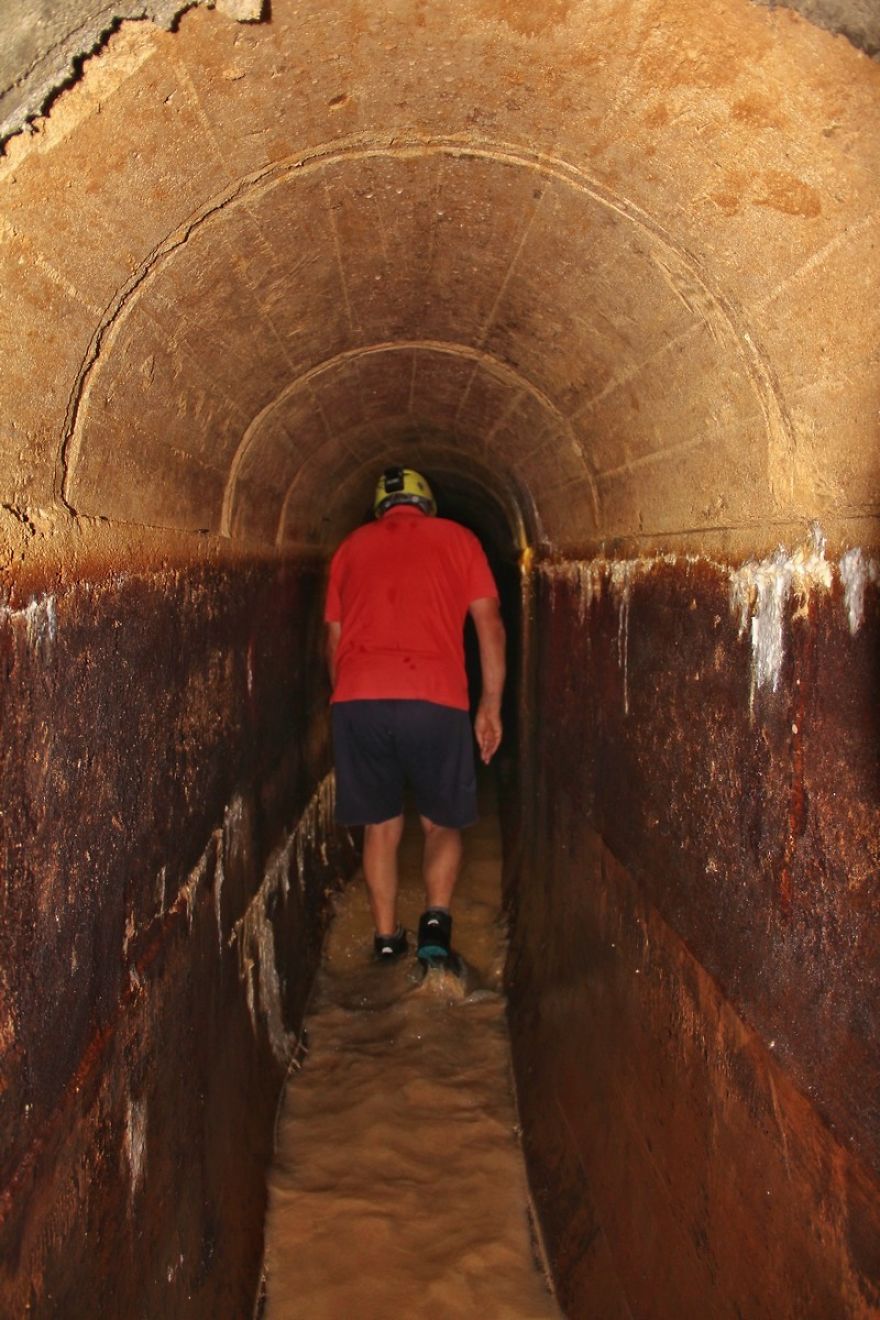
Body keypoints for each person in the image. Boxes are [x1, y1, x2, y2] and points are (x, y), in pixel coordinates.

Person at [324, 466, 506, 968]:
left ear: (380, 506)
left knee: (380, 827)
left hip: (358, 698)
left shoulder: (349, 548)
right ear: (427, 503)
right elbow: (488, 622)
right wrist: (491, 703)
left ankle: (385, 941)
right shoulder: (459, 540)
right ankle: (434, 927)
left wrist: (347, 700)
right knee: (441, 823)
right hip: (436, 698)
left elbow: (335, 639)